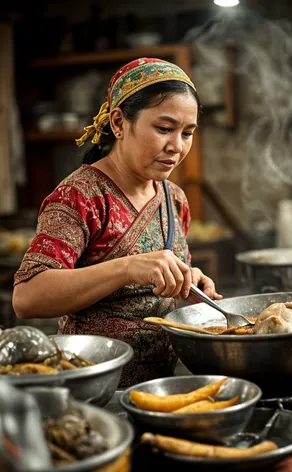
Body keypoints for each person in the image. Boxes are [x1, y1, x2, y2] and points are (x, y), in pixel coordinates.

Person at [12, 58, 223, 387]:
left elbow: (161, 276)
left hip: (160, 387)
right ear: (119, 123)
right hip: (92, 390)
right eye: (164, 129)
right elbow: (26, 298)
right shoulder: (80, 197)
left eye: (188, 132)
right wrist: (127, 268)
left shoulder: (174, 199)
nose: (177, 147)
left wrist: (189, 281)